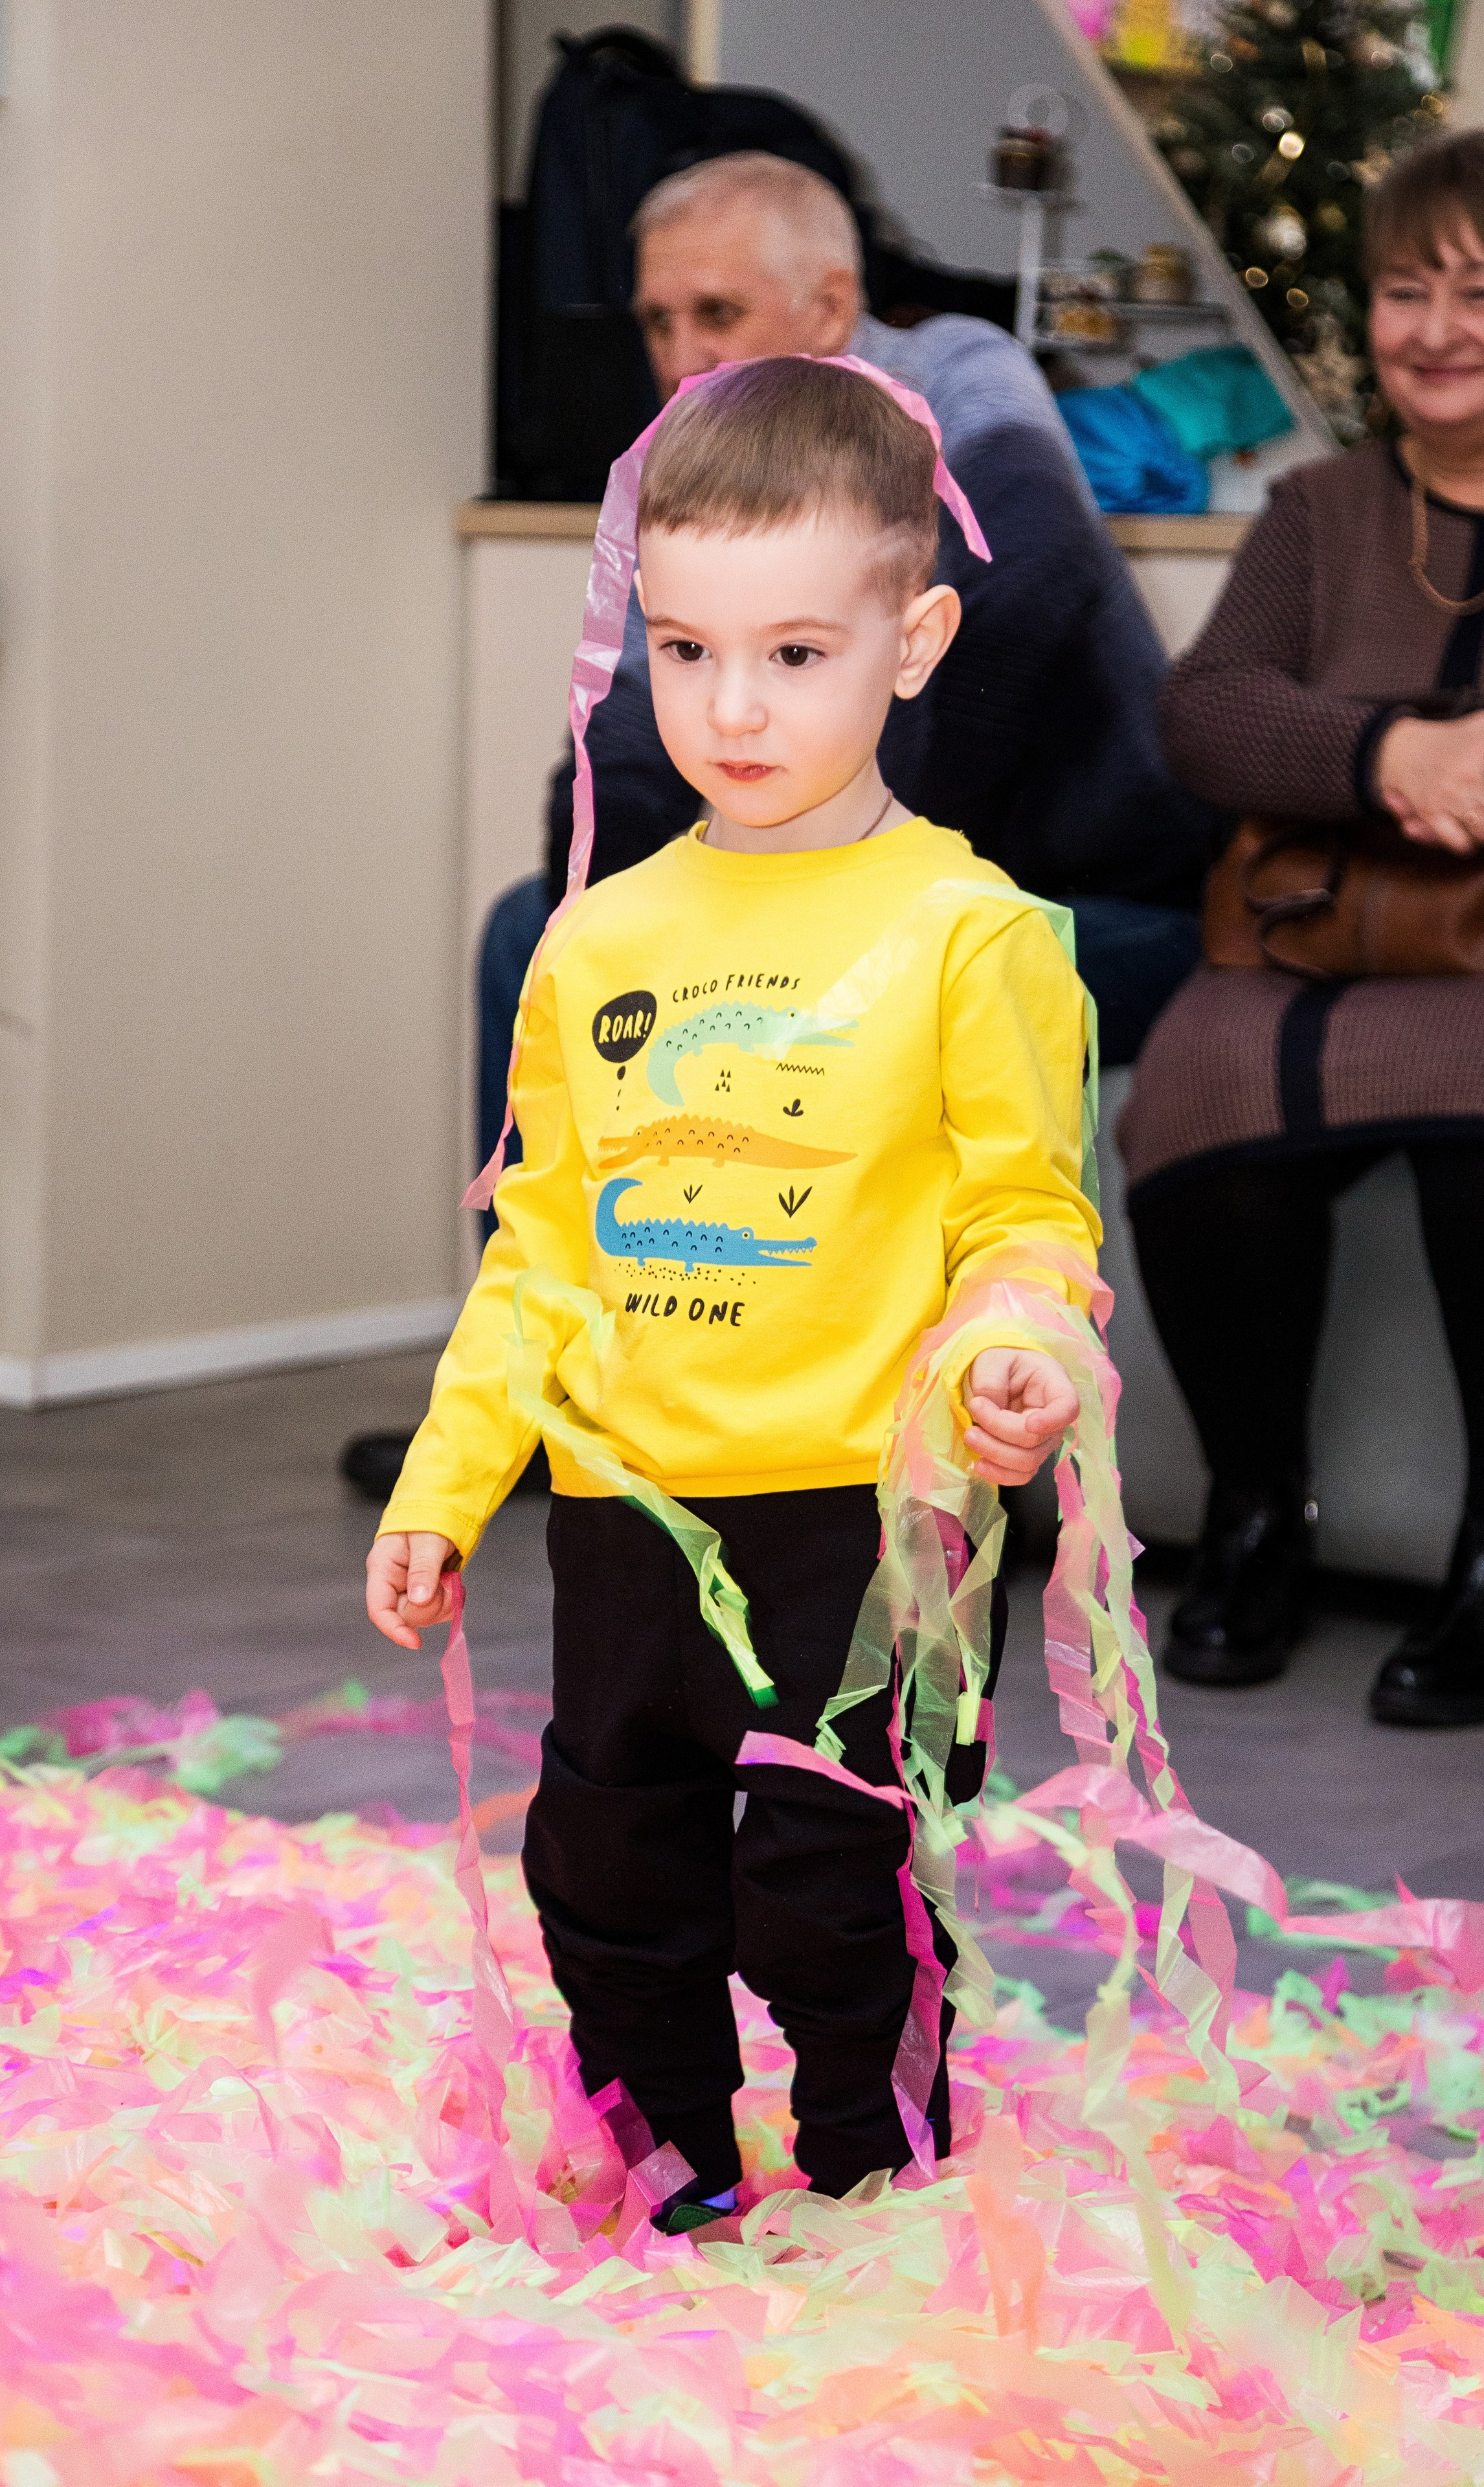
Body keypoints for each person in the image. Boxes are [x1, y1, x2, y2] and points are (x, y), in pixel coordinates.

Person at [366, 358, 1098, 2214]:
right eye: (684, 652)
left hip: (865, 1519)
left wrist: (1018, 1350)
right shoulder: (591, 938)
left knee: (836, 1885)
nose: (733, 706)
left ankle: (875, 2181)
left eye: (793, 653)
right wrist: (448, 1483)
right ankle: (669, 2160)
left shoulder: (975, 935)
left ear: (911, 640)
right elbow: (539, 1252)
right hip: (625, 1511)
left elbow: (1028, 1213)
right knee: (612, 1875)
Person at [342, 150, 1206, 1510]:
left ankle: (861, 1441)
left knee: (891, 972)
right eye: (656, 322)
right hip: (839, 889)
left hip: (1087, 897)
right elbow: (624, 741)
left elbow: (1022, 565)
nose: (680, 354)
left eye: (716, 316)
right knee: (538, 926)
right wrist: (624, 912)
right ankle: (539, 1394)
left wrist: (863, 878)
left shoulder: (958, 366)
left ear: (828, 303)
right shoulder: (691, 479)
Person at [1118, 126, 1484, 1729]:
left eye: (1482, 288)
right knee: (1194, 1093)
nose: (1435, 326)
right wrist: (1383, 756)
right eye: (1404, 289)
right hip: (1309, 937)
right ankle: (1257, 1522)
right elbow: (1199, 714)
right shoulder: (1319, 507)